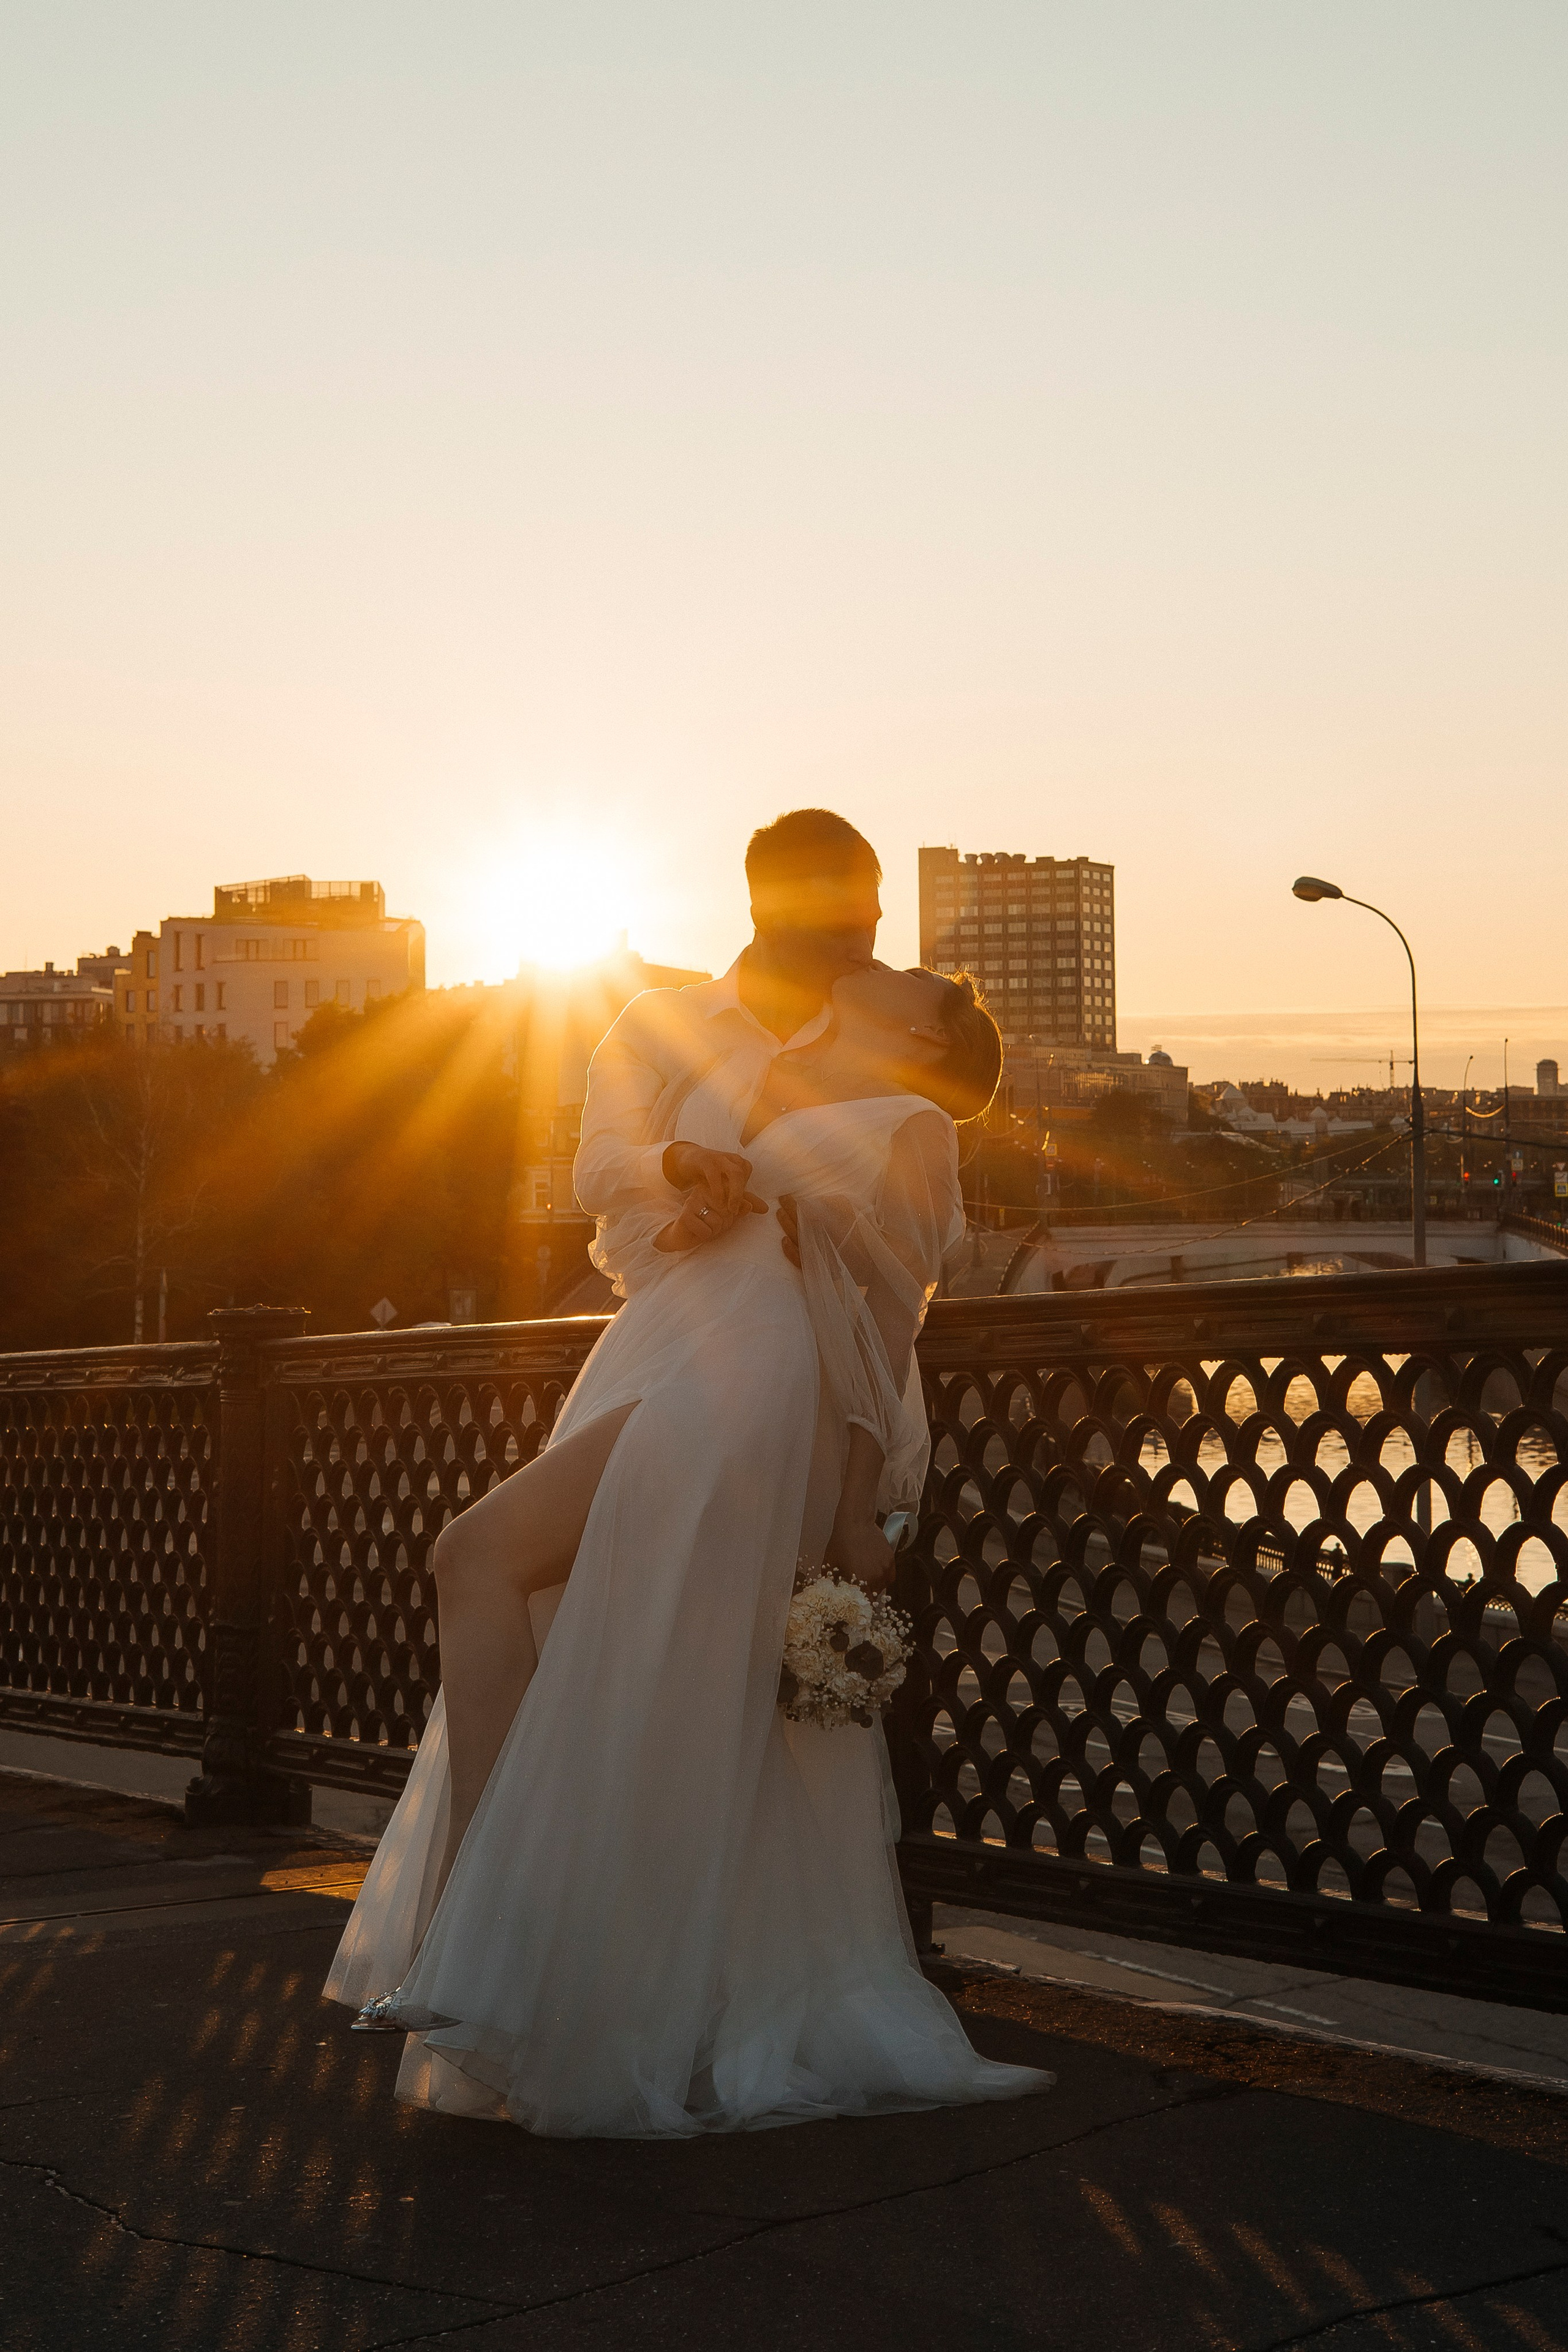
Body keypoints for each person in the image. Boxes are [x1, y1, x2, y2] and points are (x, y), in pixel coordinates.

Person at [325, 824, 1051, 2136]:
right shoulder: (665, 1022)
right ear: (772, 906)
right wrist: (679, 1181)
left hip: (751, 1380)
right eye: (847, 918)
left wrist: (847, 1513)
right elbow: (600, 1174)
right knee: (610, 1640)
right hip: (660, 1352)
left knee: (484, 1560)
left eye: (878, 921)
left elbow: (884, 1329)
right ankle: (564, 1952)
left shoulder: (901, 1119)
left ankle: (488, 1910)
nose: (870, 940)